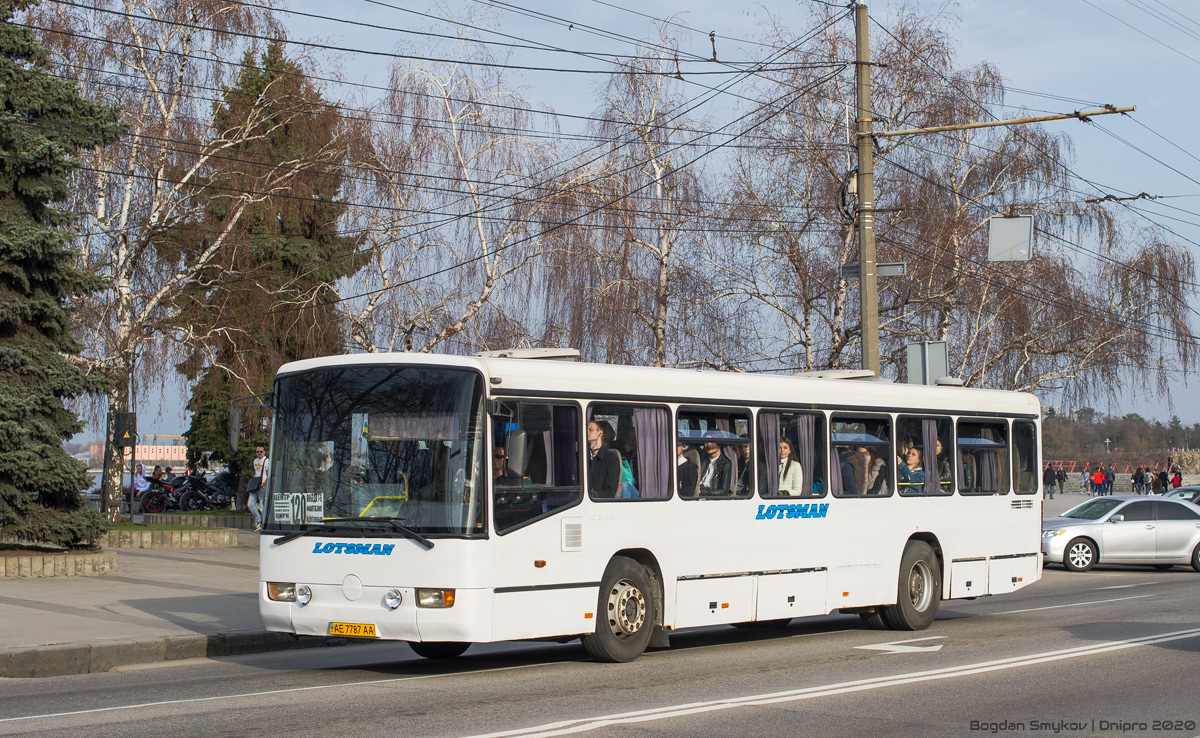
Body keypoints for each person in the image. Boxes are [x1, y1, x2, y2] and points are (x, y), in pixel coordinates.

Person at [587, 420, 620, 497]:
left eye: (590, 429)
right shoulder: (584, 458)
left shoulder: (611, 459)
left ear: (600, 433)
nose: (587, 432)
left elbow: (609, 492)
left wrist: (590, 496)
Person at [247, 445, 269, 531]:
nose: (259, 453)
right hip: (255, 485)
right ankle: (259, 520)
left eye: (261, 452)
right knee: (250, 504)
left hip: (262, 485)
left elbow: (268, 473)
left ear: (264, 452)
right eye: (257, 452)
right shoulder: (255, 461)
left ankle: (264, 523)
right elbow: (255, 472)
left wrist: (265, 482)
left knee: (262, 506)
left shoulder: (267, 461)